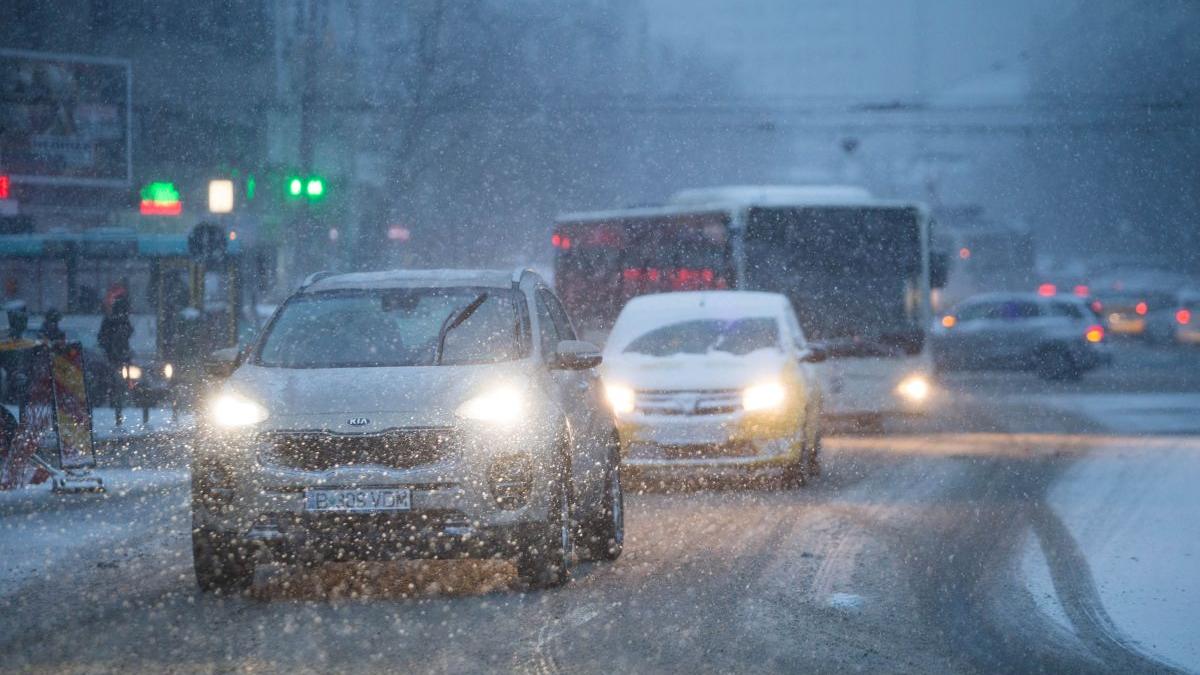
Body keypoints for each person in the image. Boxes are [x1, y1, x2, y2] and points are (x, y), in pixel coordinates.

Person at [98, 296, 134, 426]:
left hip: (116, 356)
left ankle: (118, 410)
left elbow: (102, 338)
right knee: (118, 384)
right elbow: (128, 333)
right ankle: (118, 411)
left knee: (117, 384)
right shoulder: (120, 321)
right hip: (119, 356)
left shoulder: (113, 320)